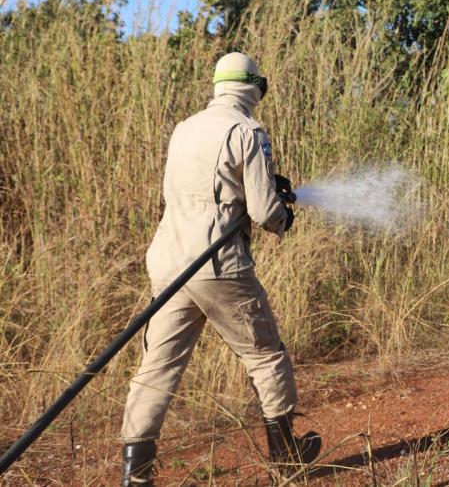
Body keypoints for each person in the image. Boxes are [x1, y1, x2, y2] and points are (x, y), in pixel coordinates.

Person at [119, 52, 320, 485]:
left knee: (158, 368)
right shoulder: (247, 130)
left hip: (169, 260)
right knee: (265, 355)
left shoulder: (184, 127)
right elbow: (266, 212)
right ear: (252, 86)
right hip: (217, 264)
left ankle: (135, 475)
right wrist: (284, 215)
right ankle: (287, 460)